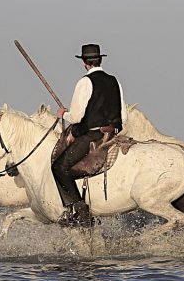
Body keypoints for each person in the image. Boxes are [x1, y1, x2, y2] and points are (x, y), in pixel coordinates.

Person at [51, 43, 129, 227]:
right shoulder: (114, 80)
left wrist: (64, 114)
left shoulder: (84, 82)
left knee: (59, 167)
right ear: (100, 60)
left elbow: (77, 117)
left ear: (84, 63)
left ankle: (80, 211)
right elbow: (124, 116)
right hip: (114, 134)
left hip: (93, 136)